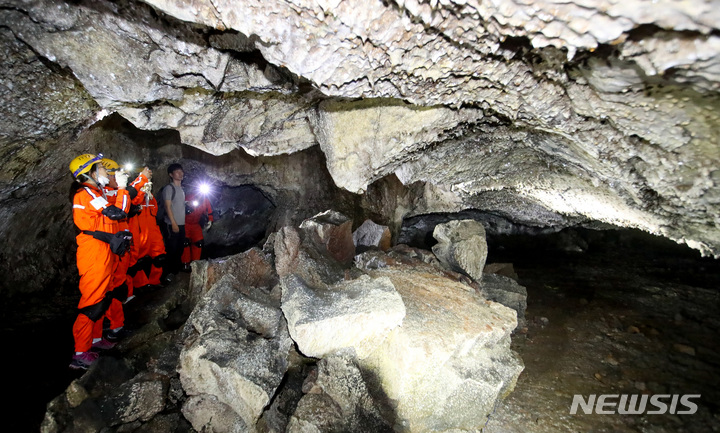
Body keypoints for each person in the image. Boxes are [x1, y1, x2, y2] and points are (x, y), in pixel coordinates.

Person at [68, 153, 131, 370]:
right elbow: (117, 213)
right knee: (91, 304)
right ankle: (80, 353)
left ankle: (94, 341)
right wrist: (123, 188)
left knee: (102, 300)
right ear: (90, 172)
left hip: (104, 251)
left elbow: (113, 216)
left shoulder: (96, 192)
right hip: (94, 254)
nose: (106, 171)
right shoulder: (84, 193)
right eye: (101, 168)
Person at [99, 159, 151, 342]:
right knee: (110, 289)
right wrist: (140, 180)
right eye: (115, 174)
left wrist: (140, 184)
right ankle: (113, 325)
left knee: (116, 287)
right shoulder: (104, 194)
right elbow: (123, 202)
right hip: (107, 249)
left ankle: (114, 323)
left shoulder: (110, 192)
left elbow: (131, 198)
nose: (120, 177)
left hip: (117, 247)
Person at [129, 178, 167, 290]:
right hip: (139, 232)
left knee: (160, 257)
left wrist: (148, 196)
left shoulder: (151, 199)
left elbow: (155, 213)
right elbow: (131, 204)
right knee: (137, 261)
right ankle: (141, 285)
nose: (148, 187)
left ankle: (155, 281)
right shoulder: (134, 198)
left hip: (153, 231)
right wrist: (141, 193)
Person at [161, 163, 186, 280]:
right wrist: (174, 223)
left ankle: (175, 271)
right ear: (171, 175)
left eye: (181, 171)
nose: (180, 174)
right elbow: (167, 206)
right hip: (172, 224)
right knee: (171, 250)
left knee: (180, 249)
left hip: (181, 224)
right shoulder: (169, 188)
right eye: (177, 172)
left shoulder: (181, 189)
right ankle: (167, 274)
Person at [181, 185, 214, 271]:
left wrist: (210, 221)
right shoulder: (189, 197)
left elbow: (209, 211)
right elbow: (180, 207)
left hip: (196, 224)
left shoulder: (205, 201)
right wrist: (186, 205)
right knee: (185, 242)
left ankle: (195, 264)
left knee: (199, 243)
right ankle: (185, 264)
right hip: (186, 224)